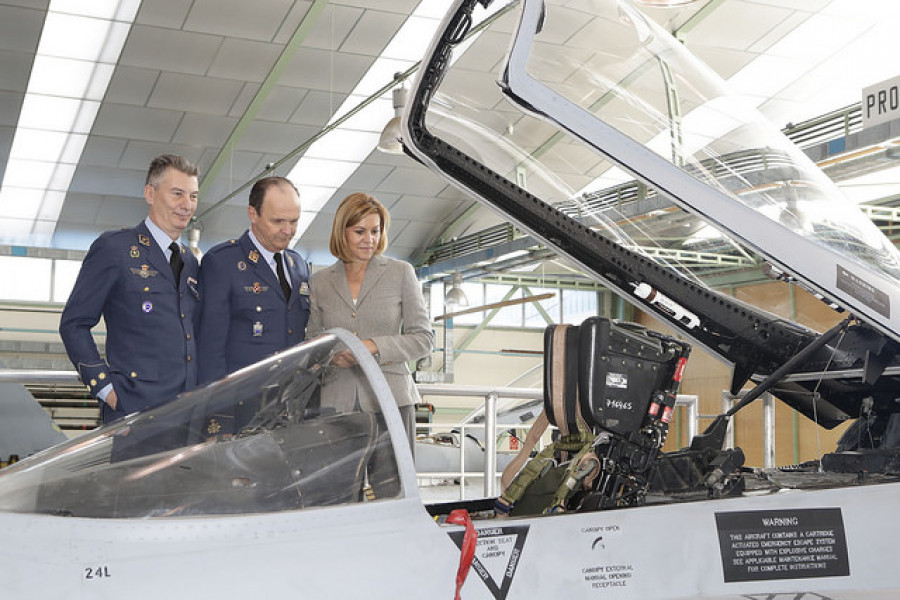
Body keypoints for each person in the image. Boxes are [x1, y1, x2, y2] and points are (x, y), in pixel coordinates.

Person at [306, 193, 433, 496]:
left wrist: (373, 346)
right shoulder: (319, 281)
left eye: (375, 231)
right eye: (360, 231)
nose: (369, 240)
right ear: (342, 232)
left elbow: (423, 339)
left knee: (394, 494)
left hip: (391, 400)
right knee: (337, 496)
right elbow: (311, 341)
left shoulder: (401, 273)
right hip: (336, 403)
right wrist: (332, 356)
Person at [60, 154, 201, 424]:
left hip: (186, 413)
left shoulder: (190, 260)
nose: (187, 205)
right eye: (177, 194)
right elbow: (74, 323)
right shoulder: (115, 248)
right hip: (134, 411)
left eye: (193, 196)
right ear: (150, 193)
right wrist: (106, 389)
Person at [197, 177, 310, 389]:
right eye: (278, 221)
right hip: (240, 399)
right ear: (253, 214)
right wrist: (214, 408)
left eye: (294, 221)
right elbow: (209, 348)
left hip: (289, 401)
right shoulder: (223, 262)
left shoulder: (299, 266)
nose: (288, 230)